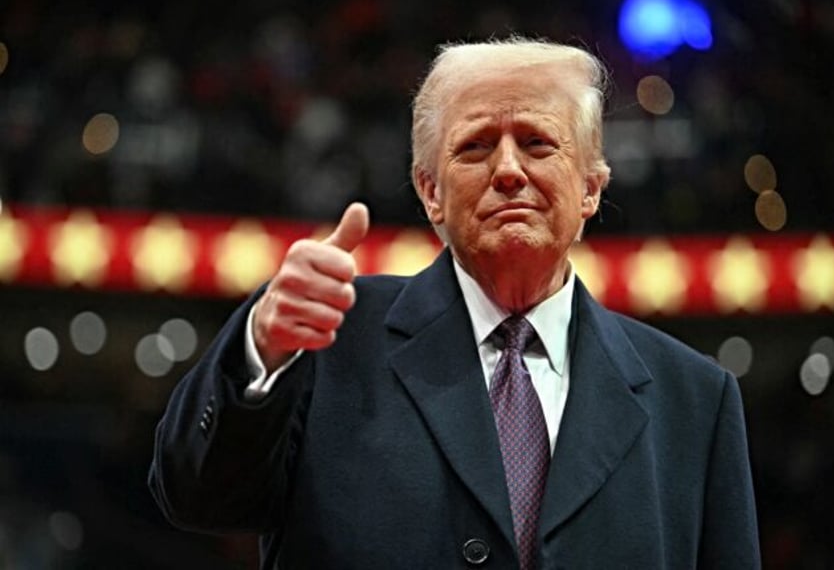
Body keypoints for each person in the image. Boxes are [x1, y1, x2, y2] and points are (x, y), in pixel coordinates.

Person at [149, 37, 760, 569]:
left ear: (592, 187)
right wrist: (262, 351)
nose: (509, 171)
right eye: (474, 148)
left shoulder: (696, 400)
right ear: (430, 191)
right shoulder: (323, 338)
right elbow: (197, 498)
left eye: (538, 143)